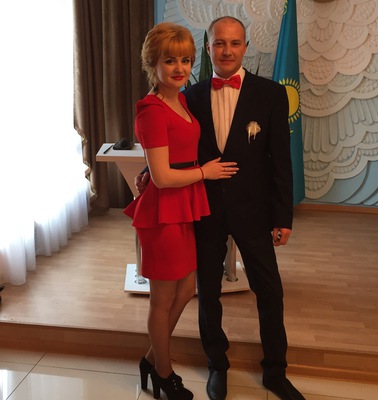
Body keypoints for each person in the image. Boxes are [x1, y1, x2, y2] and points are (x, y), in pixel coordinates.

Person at [136, 16, 306, 400]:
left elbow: (281, 160)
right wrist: (149, 170)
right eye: (219, 43)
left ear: (245, 46)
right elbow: (174, 145)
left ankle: (275, 371)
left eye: (235, 43)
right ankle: (217, 365)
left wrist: (283, 216)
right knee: (207, 293)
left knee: (270, 291)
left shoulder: (271, 94)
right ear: (208, 48)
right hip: (204, 208)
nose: (227, 51)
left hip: (254, 211)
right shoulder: (188, 95)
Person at [124, 22, 238, 400]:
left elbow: (170, 155)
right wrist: (205, 172)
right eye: (169, 60)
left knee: (187, 289)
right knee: (162, 298)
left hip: (184, 205)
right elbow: (162, 177)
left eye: (186, 60)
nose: (179, 68)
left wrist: (155, 170)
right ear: (152, 64)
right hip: (163, 211)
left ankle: (150, 359)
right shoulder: (151, 110)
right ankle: (164, 372)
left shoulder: (181, 99)